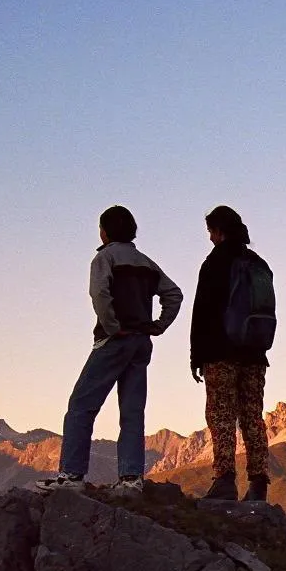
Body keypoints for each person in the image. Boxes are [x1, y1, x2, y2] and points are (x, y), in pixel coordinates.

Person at [35, 205, 182, 495]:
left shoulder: (105, 258)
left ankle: (72, 476)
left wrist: (112, 326)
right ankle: (130, 479)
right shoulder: (147, 264)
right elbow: (174, 294)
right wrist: (158, 325)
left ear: (104, 231)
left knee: (81, 406)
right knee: (132, 411)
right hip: (141, 342)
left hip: (114, 341)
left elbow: (99, 293)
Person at [189, 205, 271, 502]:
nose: (210, 238)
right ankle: (259, 483)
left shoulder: (215, 263)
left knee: (221, 414)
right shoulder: (258, 263)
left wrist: (196, 356)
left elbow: (203, 312)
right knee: (252, 416)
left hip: (221, 352)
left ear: (219, 231)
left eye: (211, 231)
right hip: (255, 353)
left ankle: (225, 479)